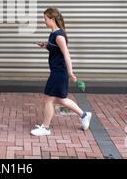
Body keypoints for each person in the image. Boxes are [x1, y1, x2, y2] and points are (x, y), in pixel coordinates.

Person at [31, 7, 92, 136]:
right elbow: (56, 49)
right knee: (61, 99)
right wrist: (47, 46)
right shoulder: (54, 34)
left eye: (45, 19)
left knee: (48, 99)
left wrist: (70, 73)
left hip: (59, 72)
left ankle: (45, 128)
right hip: (57, 71)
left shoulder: (58, 36)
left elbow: (66, 55)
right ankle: (84, 115)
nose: (44, 21)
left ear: (52, 19)